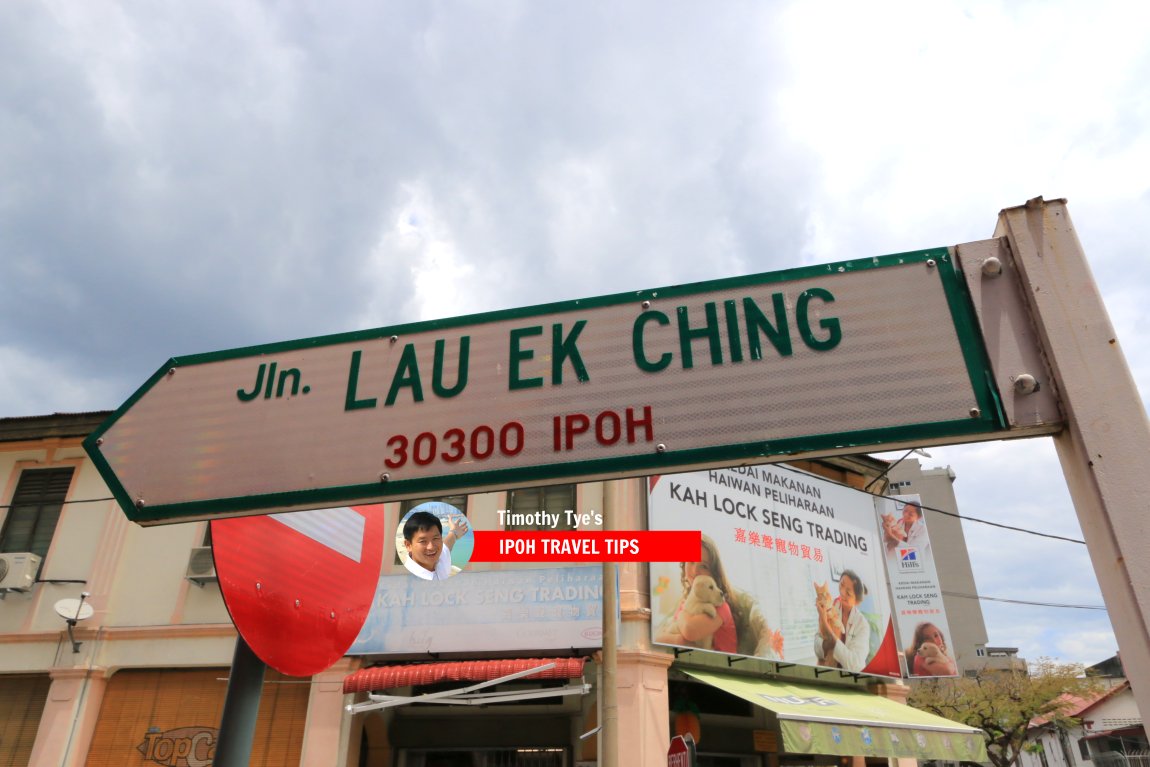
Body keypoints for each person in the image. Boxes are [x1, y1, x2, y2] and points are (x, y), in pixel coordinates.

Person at [654, 535, 743, 653]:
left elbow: (690, 631)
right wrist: (678, 640)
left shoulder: (721, 607)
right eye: (691, 561)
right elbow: (657, 638)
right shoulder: (684, 603)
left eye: (704, 566)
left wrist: (681, 617)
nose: (695, 570)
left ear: (714, 574)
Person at [816, 570, 870, 672]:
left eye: (848, 593)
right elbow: (816, 645)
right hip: (826, 672)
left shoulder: (862, 624)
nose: (842, 592)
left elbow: (854, 664)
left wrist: (829, 635)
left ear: (857, 602)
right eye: (841, 585)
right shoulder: (830, 607)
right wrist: (825, 644)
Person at [402, 510, 469, 580]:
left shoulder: (440, 557)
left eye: (435, 538)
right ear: (408, 545)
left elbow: (447, 545)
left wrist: (454, 532)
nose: (431, 547)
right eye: (423, 541)